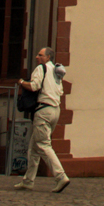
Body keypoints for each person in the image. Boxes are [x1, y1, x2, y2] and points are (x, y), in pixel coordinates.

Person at [16, 47, 71, 192]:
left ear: (48, 57)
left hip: (43, 110)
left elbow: (34, 86)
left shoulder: (41, 68)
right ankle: (28, 181)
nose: (36, 57)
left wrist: (21, 82)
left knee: (43, 145)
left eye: (40, 55)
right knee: (34, 148)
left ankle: (60, 176)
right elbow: (60, 91)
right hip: (55, 110)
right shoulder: (56, 70)